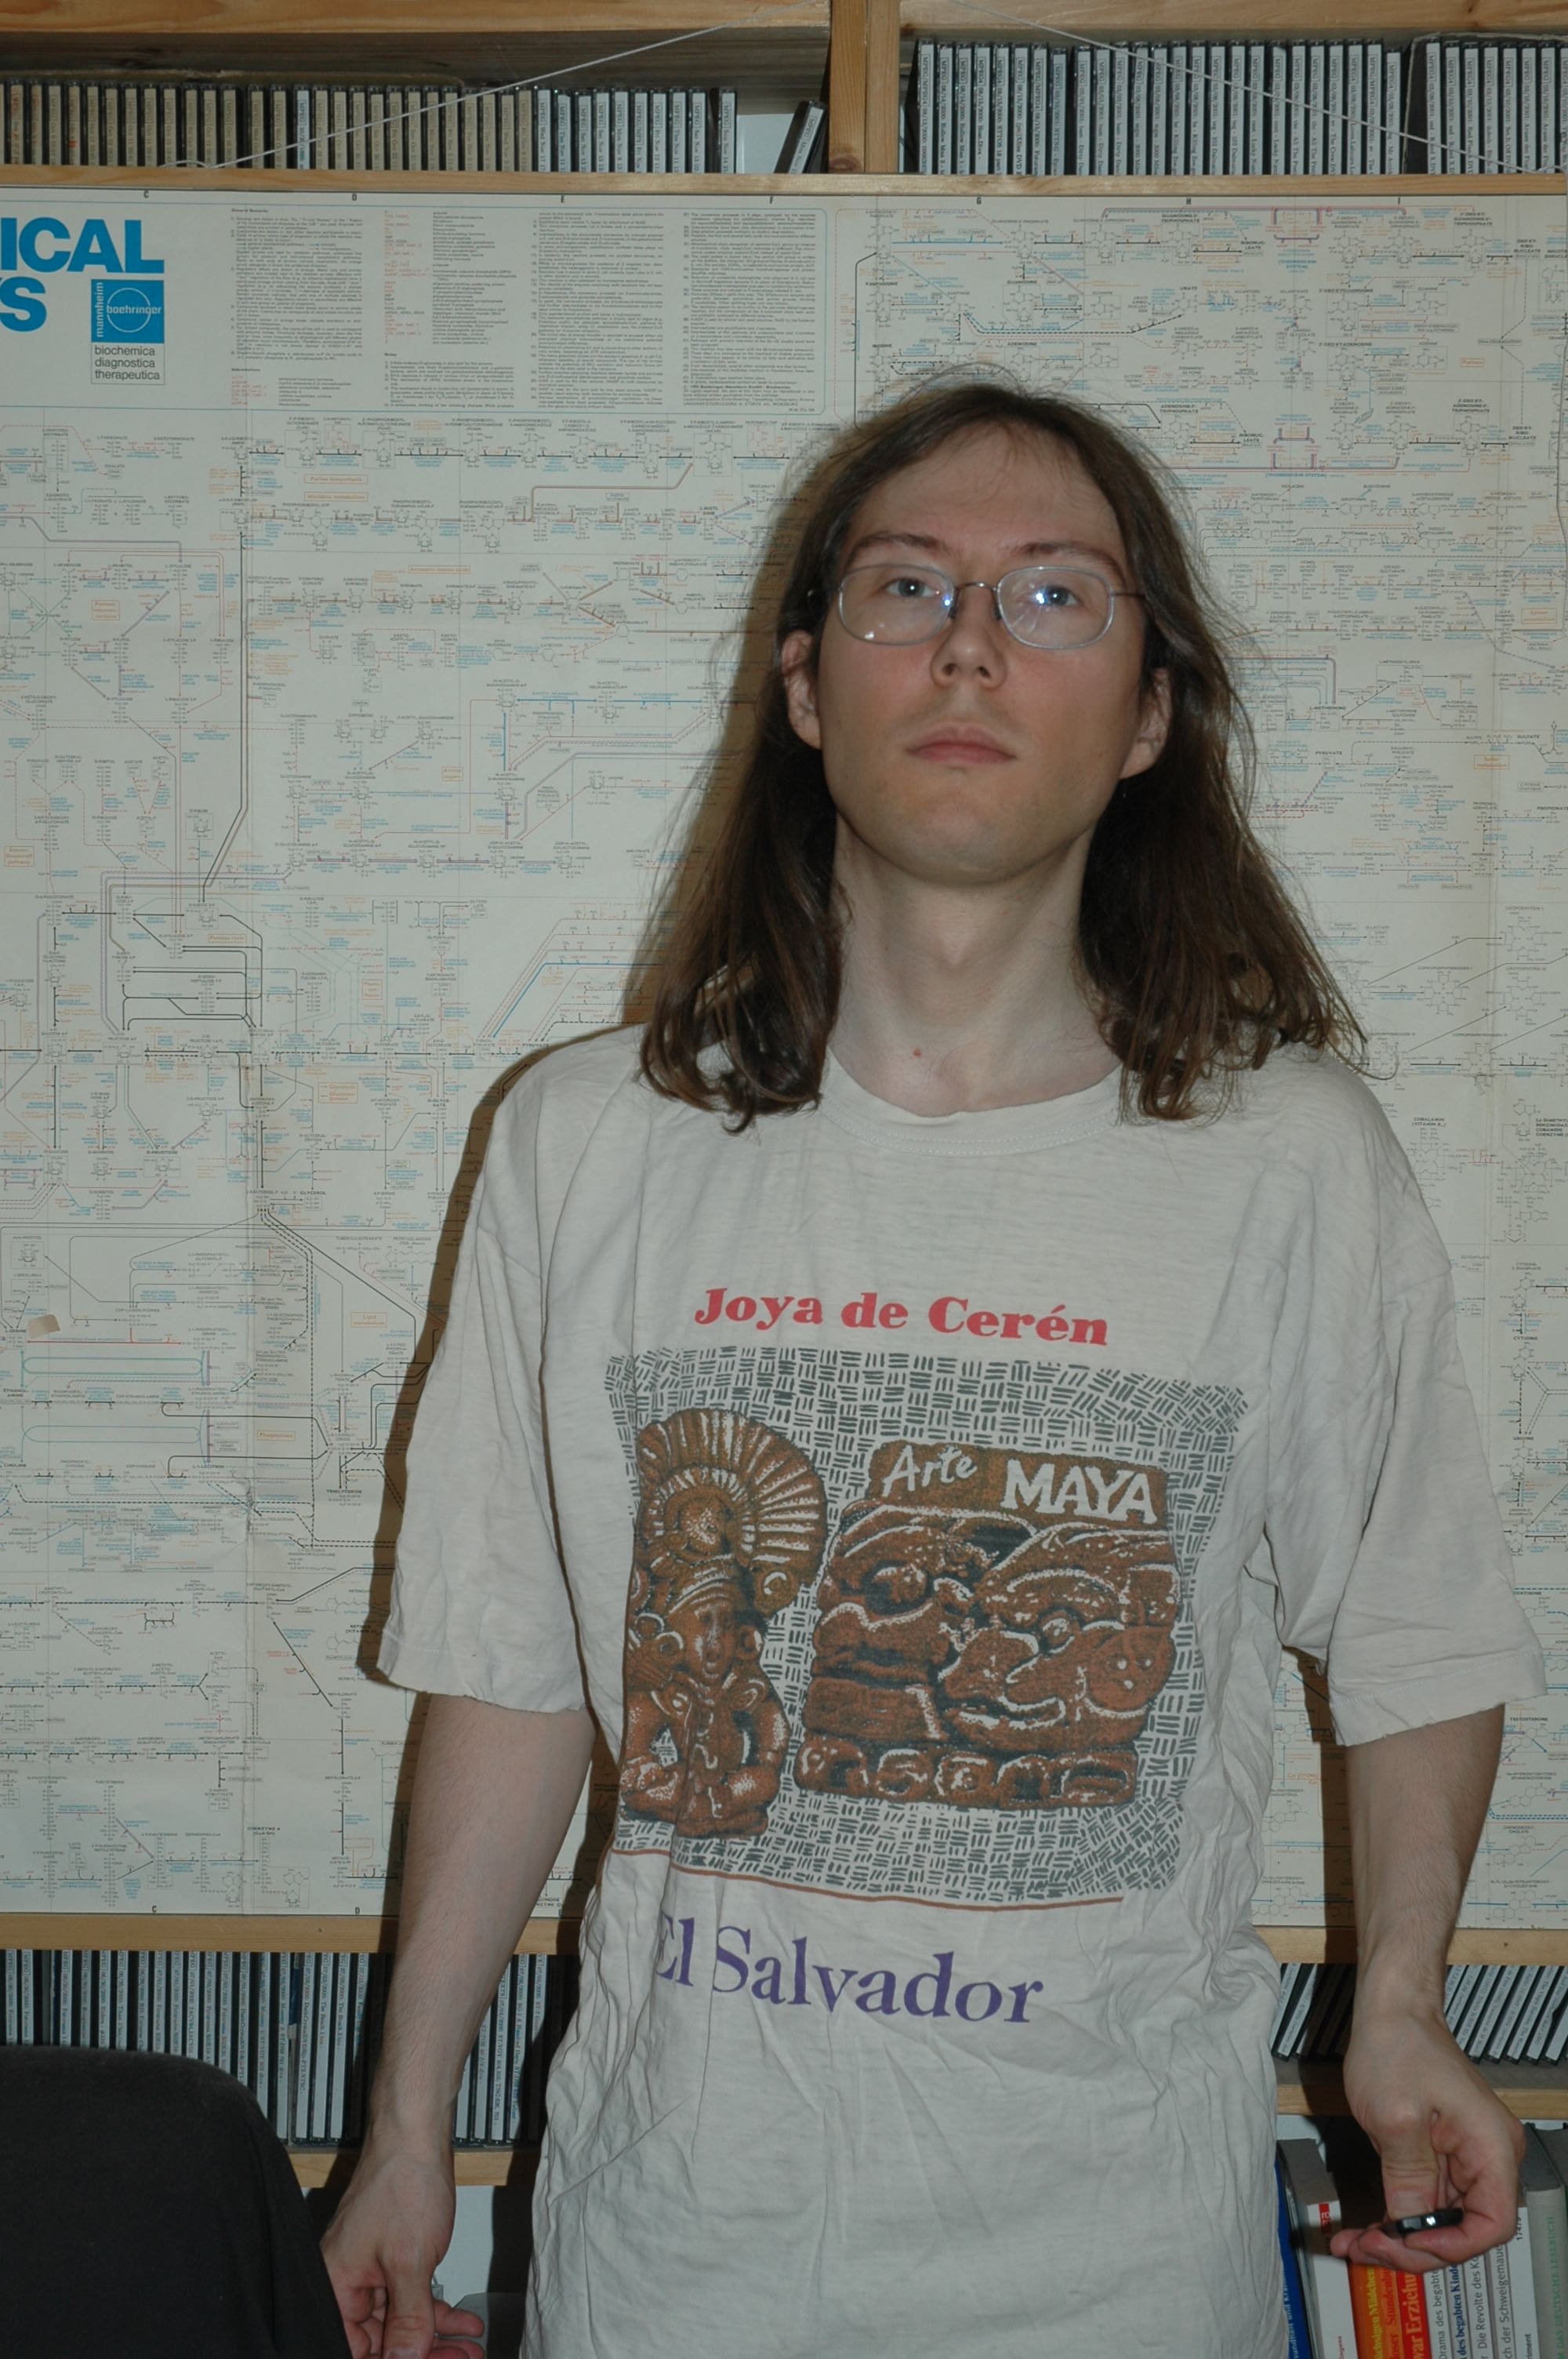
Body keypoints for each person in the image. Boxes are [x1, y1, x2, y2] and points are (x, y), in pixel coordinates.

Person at [321, 378, 1547, 2359]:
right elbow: (510, 1661)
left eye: (1054, 594)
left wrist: (1399, 2001)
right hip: (675, 2260)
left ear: (1147, 715)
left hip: (1122, 2271)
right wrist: (403, 2130)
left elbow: (1414, 1628)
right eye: (908, 587)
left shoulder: (1289, 1159)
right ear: (808, 686)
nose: (971, 643)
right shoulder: (588, 1141)